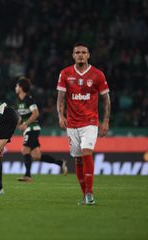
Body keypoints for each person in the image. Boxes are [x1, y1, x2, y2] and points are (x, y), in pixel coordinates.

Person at [56, 42, 110, 205]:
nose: (80, 55)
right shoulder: (65, 73)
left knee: (87, 153)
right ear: (73, 55)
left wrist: (106, 120)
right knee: (78, 160)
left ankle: (90, 193)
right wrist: (60, 115)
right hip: (72, 123)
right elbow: (60, 97)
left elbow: (106, 99)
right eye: (77, 52)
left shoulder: (97, 74)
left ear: (88, 55)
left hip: (90, 121)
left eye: (84, 52)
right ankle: (85, 195)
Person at [15, 76, 67, 183]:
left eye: (17, 85)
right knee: (37, 156)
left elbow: (36, 113)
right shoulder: (19, 101)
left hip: (32, 128)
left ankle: (27, 175)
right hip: (28, 129)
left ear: (20, 87)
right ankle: (60, 163)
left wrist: (26, 124)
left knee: (24, 150)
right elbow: (21, 116)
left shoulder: (29, 99)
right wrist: (19, 124)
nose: (15, 87)